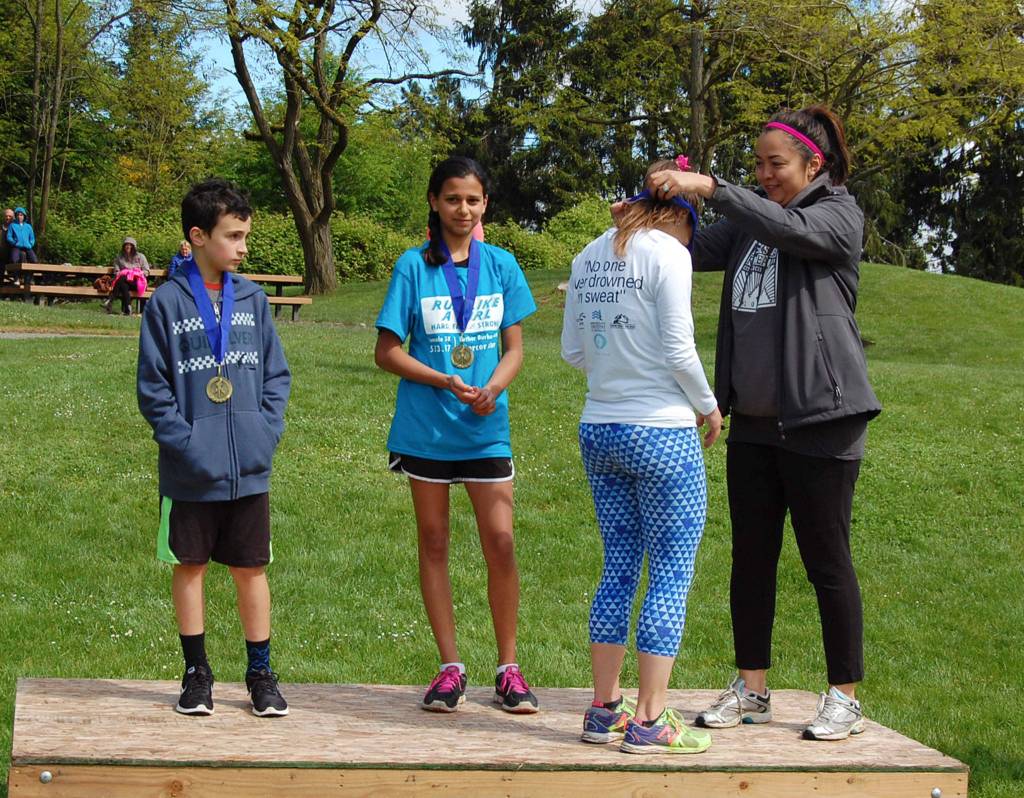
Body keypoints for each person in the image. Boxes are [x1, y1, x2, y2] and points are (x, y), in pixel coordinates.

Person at [645, 106, 881, 741]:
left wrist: (718, 189)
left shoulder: (838, 214)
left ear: (814, 165)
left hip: (821, 421)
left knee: (827, 561)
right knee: (750, 561)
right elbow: (683, 246)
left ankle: (844, 697)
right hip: (750, 424)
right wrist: (655, 200)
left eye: (775, 164)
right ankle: (752, 691)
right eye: (757, 164)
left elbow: (786, 226)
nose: (764, 174)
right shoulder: (751, 227)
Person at [563, 158, 721, 755]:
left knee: (619, 567)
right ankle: (652, 721)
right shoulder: (670, 254)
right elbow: (680, 347)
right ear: (682, 217)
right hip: (662, 430)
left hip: (598, 428)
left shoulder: (587, 255)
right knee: (671, 571)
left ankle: (604, 710)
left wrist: (616, 364)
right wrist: (707, 406)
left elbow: (574, 351)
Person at [374, 156, 539, 715]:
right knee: (436, 543)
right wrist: (442, 378)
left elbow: (515, 349)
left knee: (501, 542)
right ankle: (450, 667)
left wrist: (492, 385)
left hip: (486, 429)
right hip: (426, 433)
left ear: (485, 204)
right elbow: (387, 352)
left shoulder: (501, 266)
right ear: (434, 202)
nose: (462, 209)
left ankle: (509, 668)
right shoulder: (412, 268)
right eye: (451, 199)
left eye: (472, 199)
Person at [137, 178, 292, 718]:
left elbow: (276, 375)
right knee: (191, 566)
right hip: (189, 470)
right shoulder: (166, 304)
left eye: (245, 235)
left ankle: (260, 673)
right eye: (235, 236)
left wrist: (264, 431)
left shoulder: (251, 298)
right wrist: (185, 444)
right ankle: (196, 672)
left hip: (249, 467)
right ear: (199, 236)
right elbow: (153, 388)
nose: (244, 247)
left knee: (251, 567)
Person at [109, 237, 151, 316]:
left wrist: (136, 273)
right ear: (124, 246)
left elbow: (147, 271)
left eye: (130, 245)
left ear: (134, 247)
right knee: (123, 284)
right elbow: (116, 272)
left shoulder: (141, 256)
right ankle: (128, 308)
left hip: (138, 283)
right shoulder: (119, 257)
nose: (128, 247)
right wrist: (125, 273)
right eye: (126, 245)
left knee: (122, 278)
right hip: (125, 283)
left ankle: (111, 300)